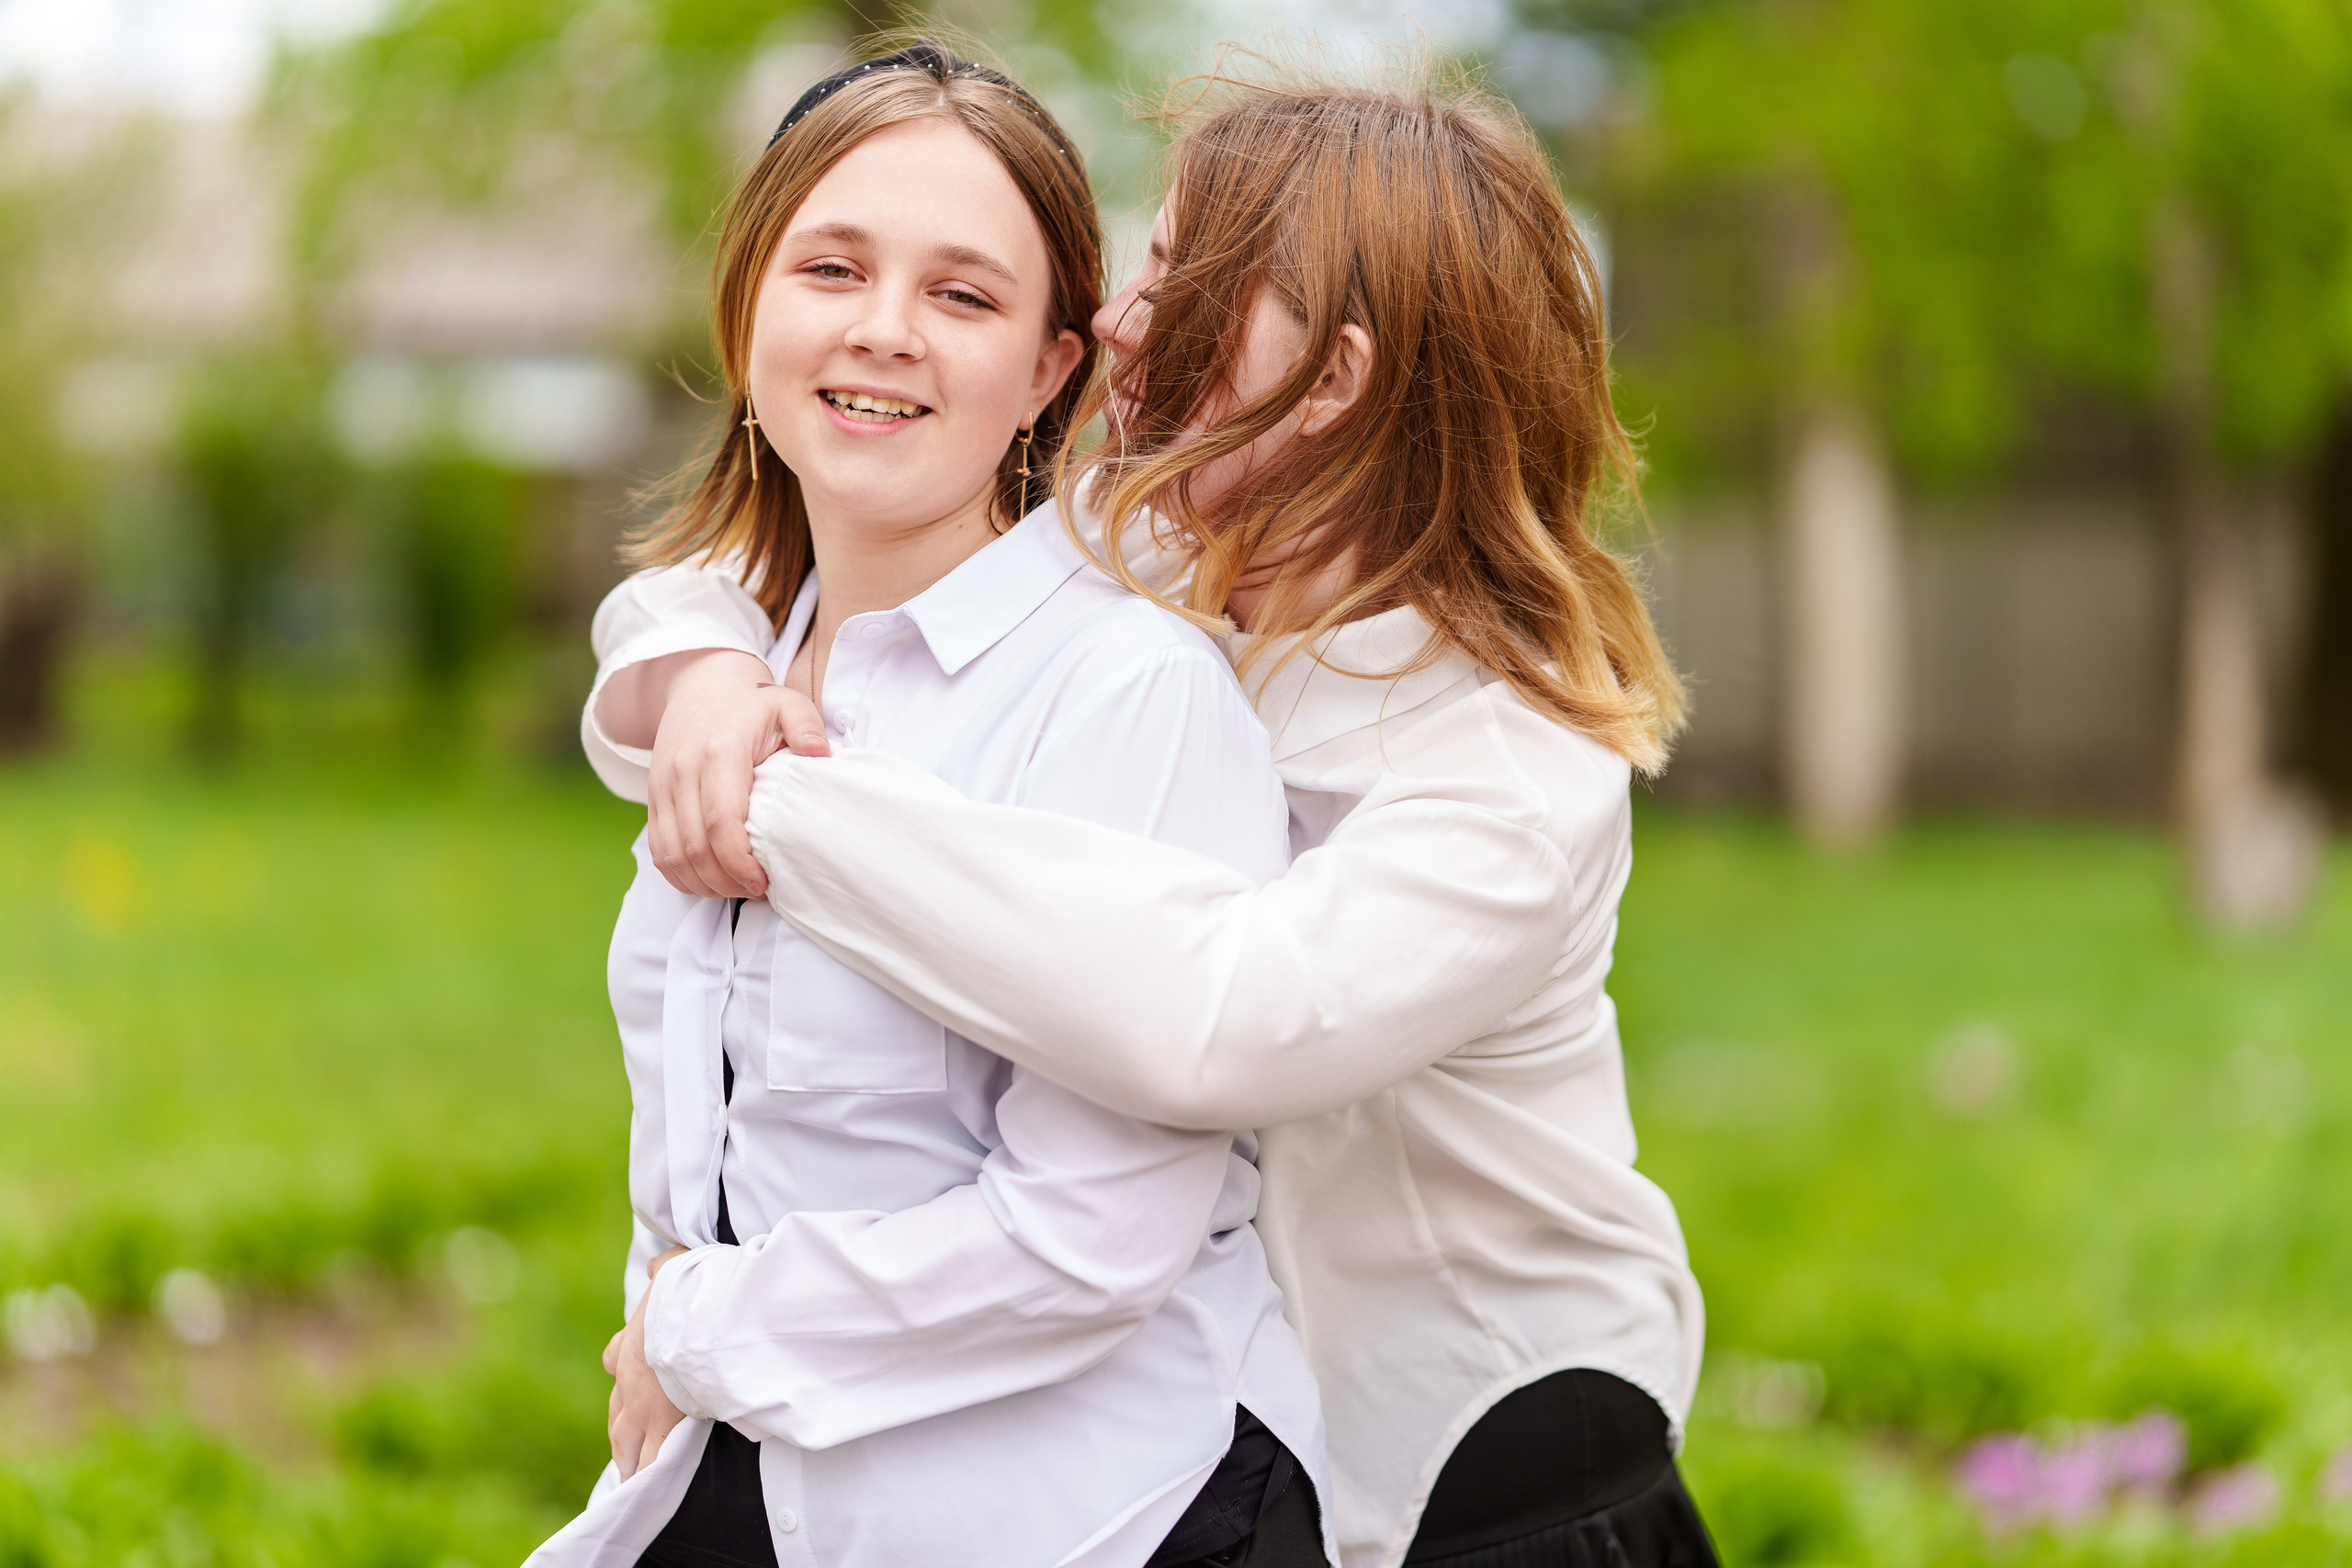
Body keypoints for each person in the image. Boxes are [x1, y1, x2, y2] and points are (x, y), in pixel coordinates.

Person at [586, 64, 1718, 1568]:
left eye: (1187, 279)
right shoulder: (1178, 565)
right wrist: (713, 673)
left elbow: (1217, 1019)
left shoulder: (1505, 771)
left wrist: (769, 799)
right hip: (1234, 1440)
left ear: (1331, 381)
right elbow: (798, 557)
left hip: (1492, 1476)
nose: (1126, 314)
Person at [538, 44, 1334, 1568]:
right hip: (746, 1476)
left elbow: (1090, 1233)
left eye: (964, 297)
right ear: (750, 309)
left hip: (1087, 1515)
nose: (884, 330)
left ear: (1050, 367)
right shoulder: (742, 654)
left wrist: (695, 1328)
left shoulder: (1128, 693)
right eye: (832, 267)